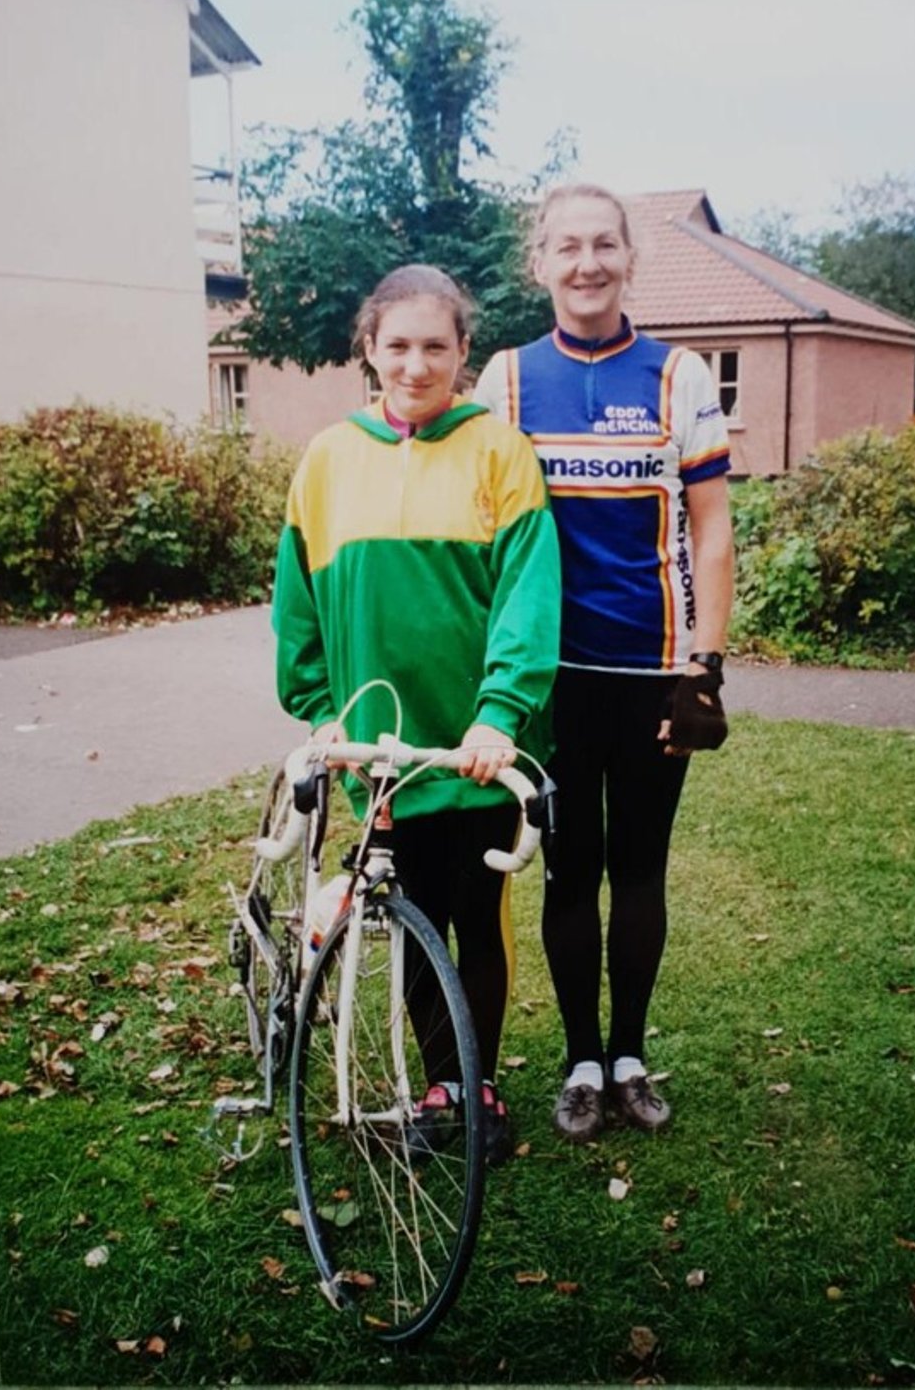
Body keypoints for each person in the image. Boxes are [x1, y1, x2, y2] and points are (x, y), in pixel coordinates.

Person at [271, 263, 561, 1165]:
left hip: (475, 748)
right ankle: (437, 1077)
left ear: (464, 352)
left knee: (477, 910)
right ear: (369, 349)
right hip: (379, 749)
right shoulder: (327, 459)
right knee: (409, 911)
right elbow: (299, 602)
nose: (416, 363)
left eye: (436, 345)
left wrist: (500, 714)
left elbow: (526, 595)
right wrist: (322, 710)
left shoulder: (499, 453)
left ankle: (472, 1080)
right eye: (397, 344)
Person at [475, 184, 734, 1144]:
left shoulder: (680, 377)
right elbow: (475, 528)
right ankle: (580, 1061)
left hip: (653, 669)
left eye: (605, 246)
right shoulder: (503, 380)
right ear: (538, 262)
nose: (587, 264)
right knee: (568, 870)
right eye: (567, 247)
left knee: (641, 867)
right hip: (548, 678)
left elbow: (712, 531)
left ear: (631, 258)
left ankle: (628, 1055)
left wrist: (703, 666)